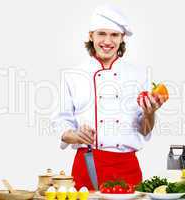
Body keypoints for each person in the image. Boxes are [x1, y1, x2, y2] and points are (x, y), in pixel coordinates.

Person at [50, 4, 166, 190]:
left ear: (122, 39)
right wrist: (76, 135)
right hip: (87, 166)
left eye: (114, 35)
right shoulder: (73, 75)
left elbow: (145, 130)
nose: (107, 41)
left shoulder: (138, 75)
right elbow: (60, 123)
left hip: (127, 167)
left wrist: (150, 113)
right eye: (101, 34)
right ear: (91, 36)